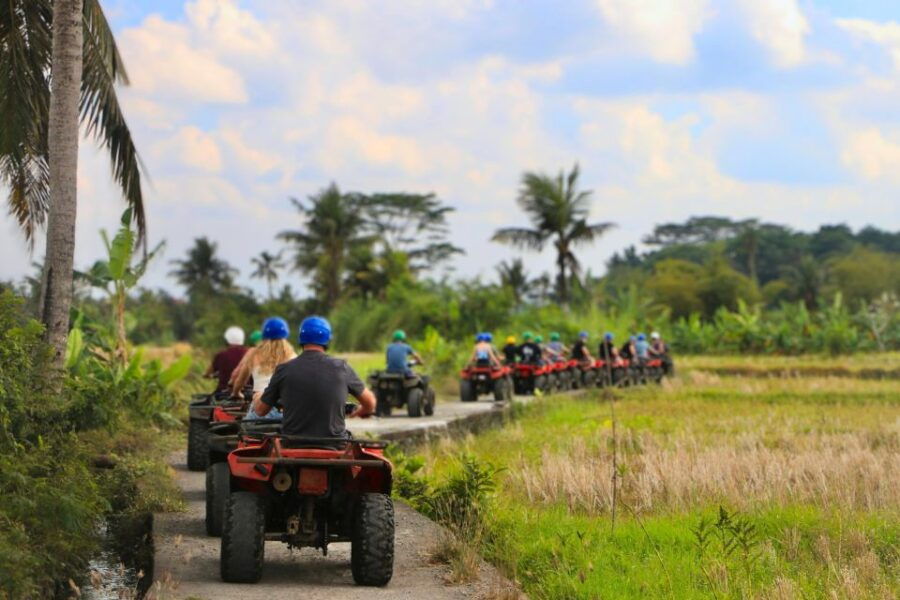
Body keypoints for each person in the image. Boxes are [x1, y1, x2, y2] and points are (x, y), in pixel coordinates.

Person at [255, 316, 376, 437]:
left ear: (301, 340)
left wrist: (258, 397)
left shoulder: (283, 369)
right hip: (335, 445)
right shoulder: (342, 367)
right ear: (327, 341)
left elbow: (260, 411)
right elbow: (370, 403)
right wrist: (358, 413)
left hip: (293, 444)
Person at [231, 317, 296, 420]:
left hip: (260, 408)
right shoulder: (292, 355)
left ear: (264, 334)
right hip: (286, 411)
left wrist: (236, 393)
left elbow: (240, 380)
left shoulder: (254, 353)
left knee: (245, 430)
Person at [205, 326, 248, 393]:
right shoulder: (250, 354)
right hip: (247, 393)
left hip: (223, 392)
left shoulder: (221, 354)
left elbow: (208, 372)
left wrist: (207, 375)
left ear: (227, 340)